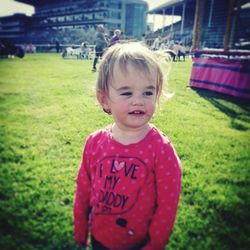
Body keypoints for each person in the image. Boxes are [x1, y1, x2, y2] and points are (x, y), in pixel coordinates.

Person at [74, 42, 182, 250]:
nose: (138, 101)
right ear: (104, 99)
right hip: (100, 238)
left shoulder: (162, 150)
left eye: (148, 93)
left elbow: (167, 207)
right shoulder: (94, 143)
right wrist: (80, 230)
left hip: (138, 243)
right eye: (126, 93)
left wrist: (154, 245)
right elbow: (83, 191)